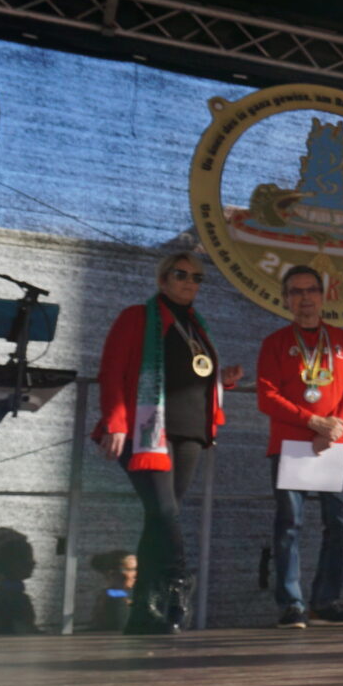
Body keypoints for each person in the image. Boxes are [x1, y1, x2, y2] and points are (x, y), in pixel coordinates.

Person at [92, 251, 242, 634]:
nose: (189, 282)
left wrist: (221, 381)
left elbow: (189, 374)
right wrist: (114, 422)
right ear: (163, 279)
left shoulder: (196, 325)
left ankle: (145, 610)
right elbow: (112, 370)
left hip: (190, 430)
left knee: (159, 519)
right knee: (164, 513)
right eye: (181, 274)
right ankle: (178, 580)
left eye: (197, 277)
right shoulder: (136, 317)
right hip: (148, 431)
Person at [256, 263, 343, 630]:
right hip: (292, 444)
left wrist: (333, 427)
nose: (305, 298)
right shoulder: (275, 343)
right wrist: (313, 422)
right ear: (286, 299)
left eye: (311, 290)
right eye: (296, 291)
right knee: (290, 524)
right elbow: (267, 396)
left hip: (335, 445)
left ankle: (325, 602)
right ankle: (292, 605)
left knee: (340, 523)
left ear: (323, 295)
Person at [88, 550, 138, 633]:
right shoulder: (116, 596)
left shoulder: (110, 594)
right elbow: (120, 629)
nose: (136, 574)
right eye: (132, 569)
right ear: (112, 574)